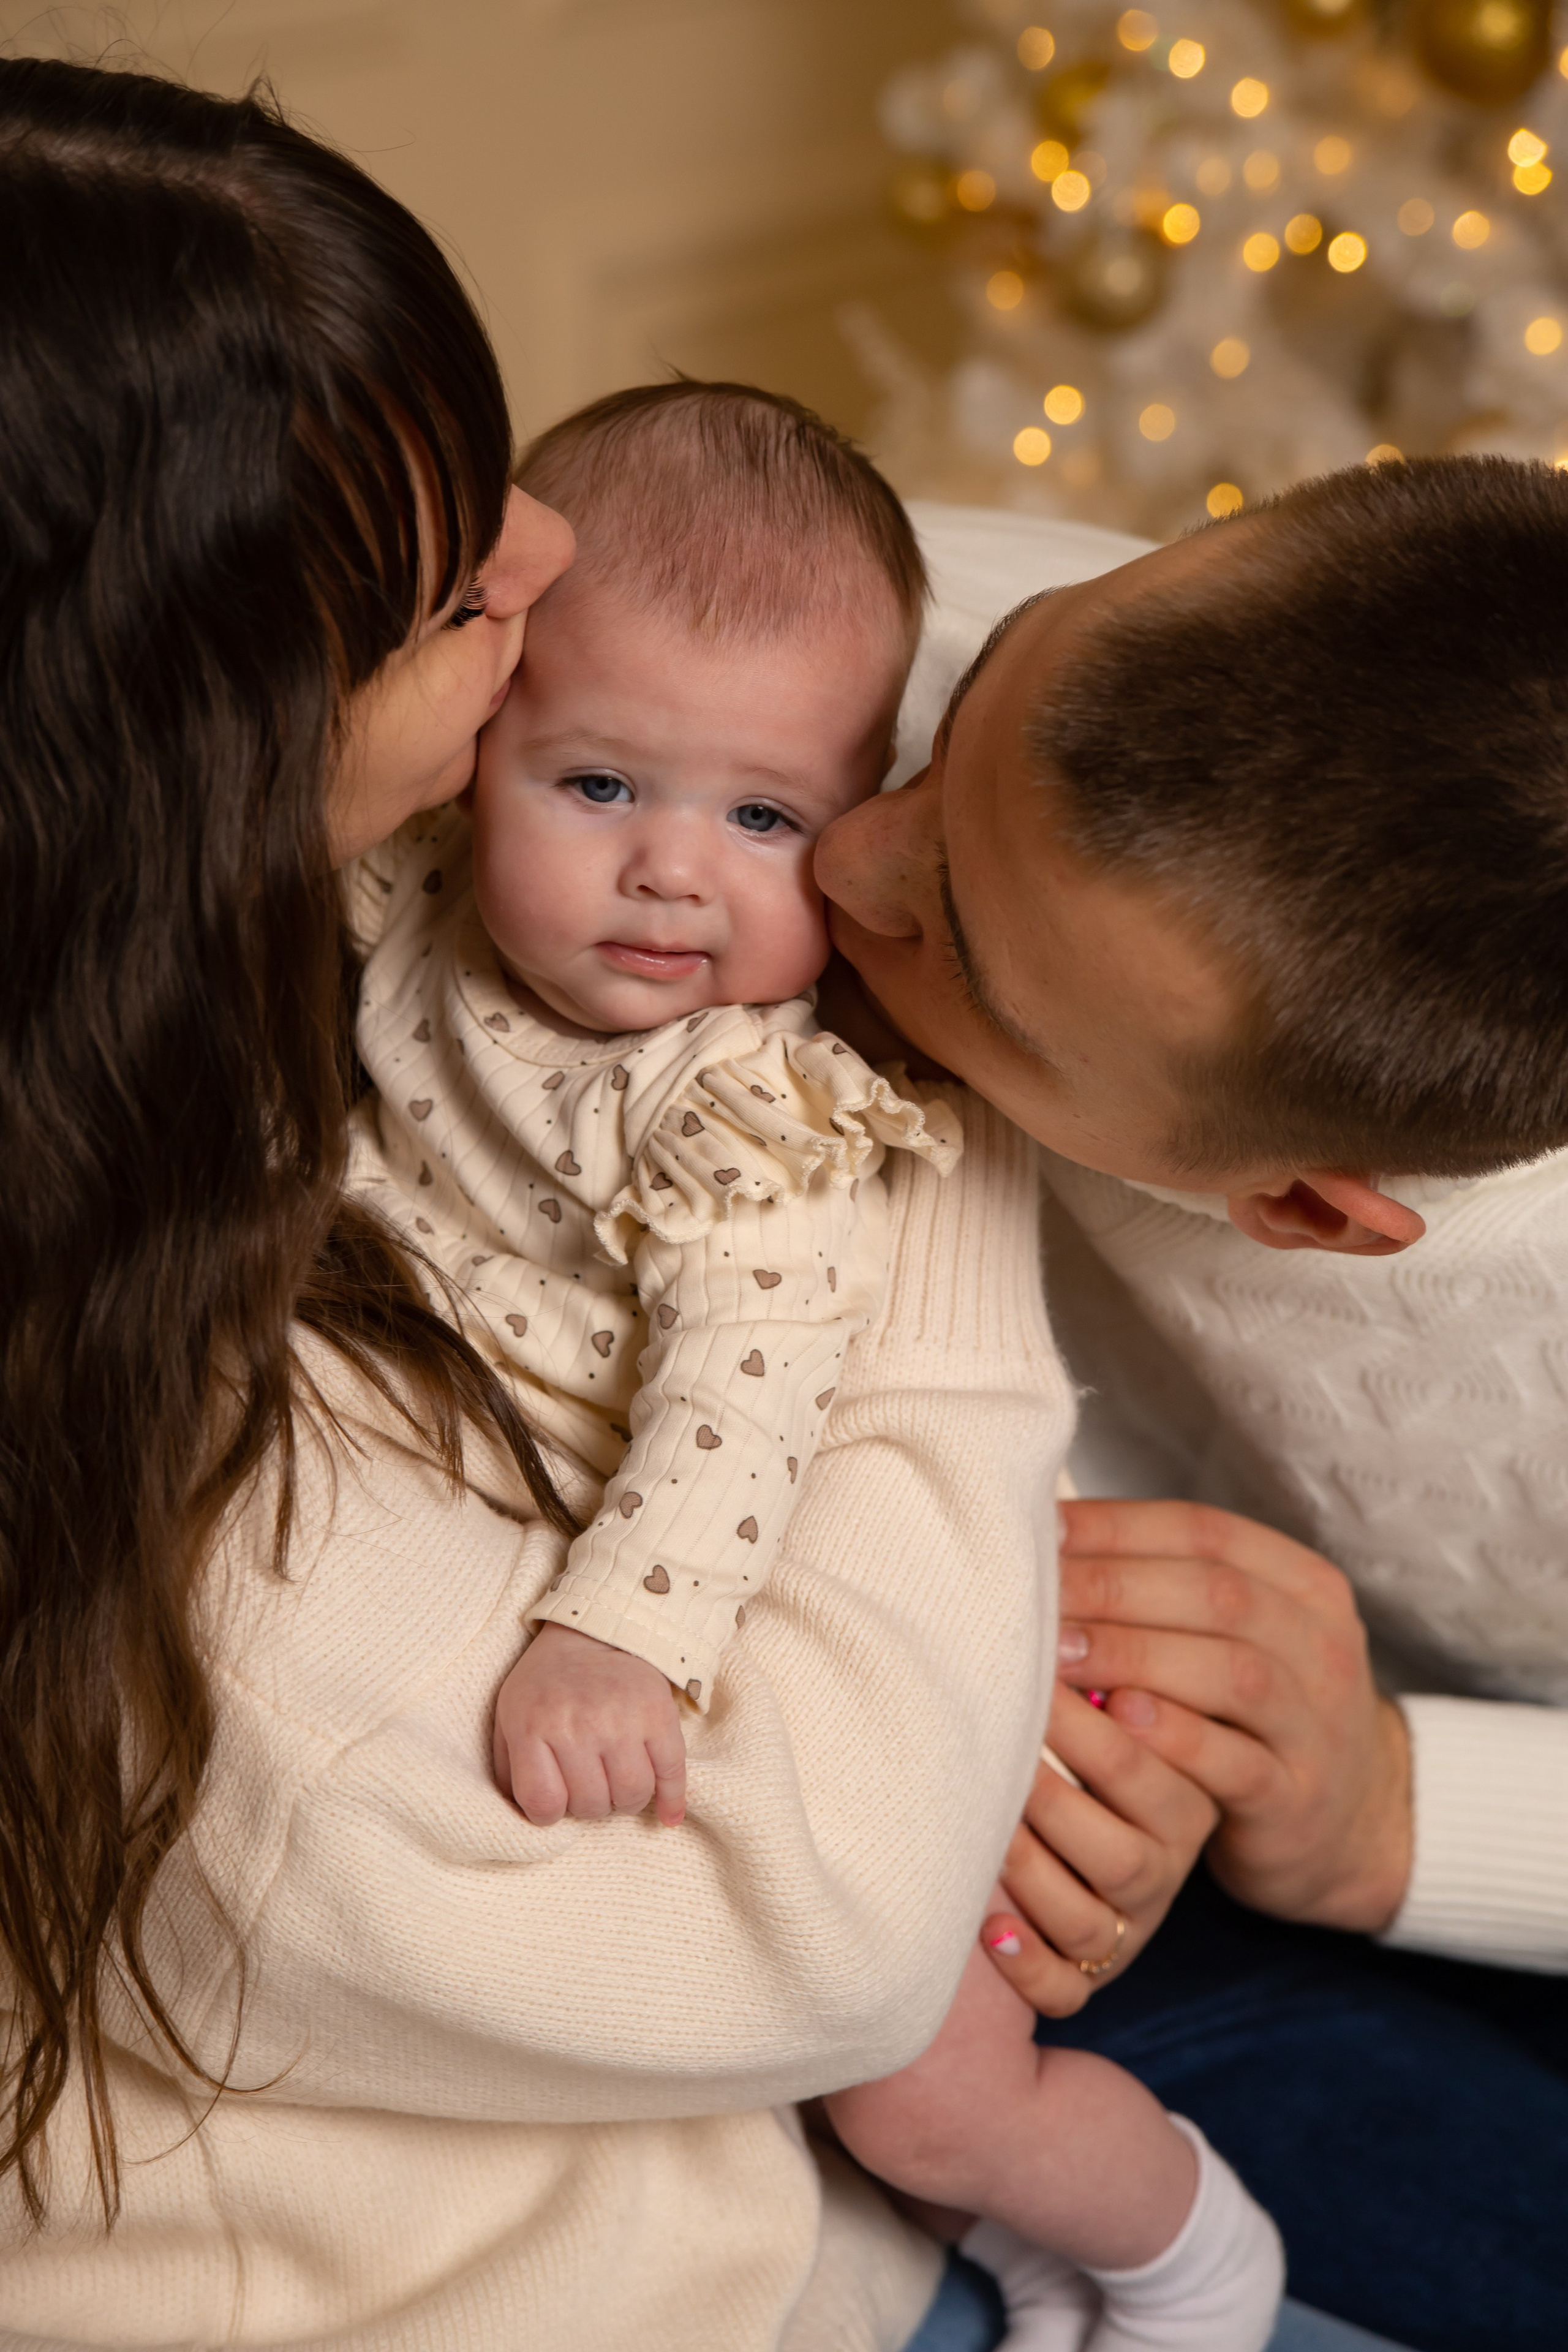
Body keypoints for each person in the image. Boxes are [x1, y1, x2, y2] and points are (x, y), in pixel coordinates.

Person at [0, 55, 1074, 2350]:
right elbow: (830, 1933)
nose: (550, 564)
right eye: (458, 603)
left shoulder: (180, 961)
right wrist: (947, 1112)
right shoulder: (156, 1468)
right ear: (191, 748)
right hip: (581, 2265)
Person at [349, 378, 1285, 2352]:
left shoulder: (751, 1105)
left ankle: (1181, 2246)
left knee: (926, 2082)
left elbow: (739, 1399)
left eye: (765, 816)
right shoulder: (396, 903)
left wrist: (623, 1633)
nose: (676, 875)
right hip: (529, 1513)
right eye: (598, 786)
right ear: (476, 747)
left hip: (766, 1596)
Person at [813, 462, 1568, 2352]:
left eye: (955, 950)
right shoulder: (898, 618)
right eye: (982, 702)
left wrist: (1393, 1805)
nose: (842, 860)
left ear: (1306, 1209)